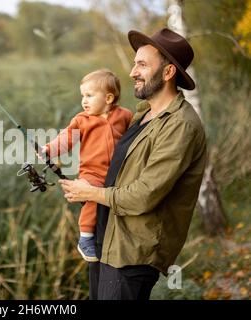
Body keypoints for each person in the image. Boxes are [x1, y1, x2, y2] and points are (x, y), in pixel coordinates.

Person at [58, 28, 207, 300]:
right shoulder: (141, 115)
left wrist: (90, 193)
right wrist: (85, 185)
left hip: (132, 254)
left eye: (142, 64)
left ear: (168, 72)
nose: (132, 72)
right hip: (108, 240)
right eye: (134, 63)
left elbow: (144, 195)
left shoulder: (181, 126)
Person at [42, 69, 132, 262]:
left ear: (108, 98)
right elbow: (66, 139)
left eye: (89, 96)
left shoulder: (124, 116)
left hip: (118, 173)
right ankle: (85, 238)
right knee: (91, 196)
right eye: (83, 96)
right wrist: (49, 150)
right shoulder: (82, 120)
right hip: (92, 172)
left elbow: (135, 137)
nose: (84, 101)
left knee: (117, 202)